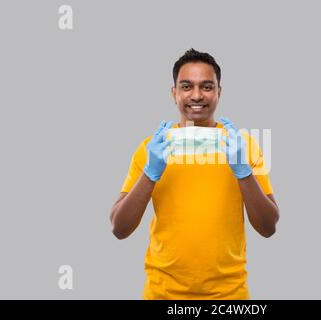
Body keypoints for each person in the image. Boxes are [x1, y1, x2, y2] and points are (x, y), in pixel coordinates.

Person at [109, 48, 279, 300]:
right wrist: (150, 172)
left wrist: (243, 171)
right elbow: (119, 228)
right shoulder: (151, 148)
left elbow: (268, 227)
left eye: (207, 86)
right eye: (186, 86)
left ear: (219, 92)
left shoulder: (244, 146)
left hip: (229, 297)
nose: (197, 95)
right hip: (162, 294)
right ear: (174, 93)